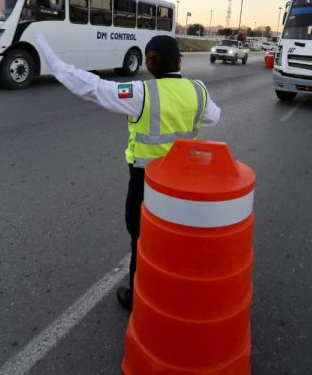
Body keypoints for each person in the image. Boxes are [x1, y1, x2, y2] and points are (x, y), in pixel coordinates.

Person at [34, 33, 221, 310]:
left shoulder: (140, 93)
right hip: (183, 184)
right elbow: (214, 117)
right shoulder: (198, 91)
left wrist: (52, 57)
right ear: (179, 62)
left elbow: (92, 88)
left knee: (141, 238)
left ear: (150, 62)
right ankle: (175, 291)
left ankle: (137, 296)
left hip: (146, 183)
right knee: (176, 239)